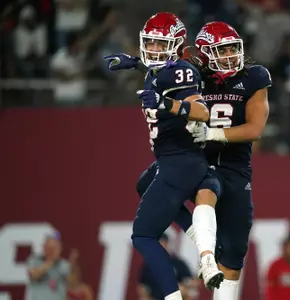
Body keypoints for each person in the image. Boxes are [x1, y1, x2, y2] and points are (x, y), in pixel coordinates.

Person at [105, 20, 272, 300]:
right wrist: (136, 63)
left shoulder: (254, 77)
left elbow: (254, 130)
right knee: (147, 182)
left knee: (232, 255)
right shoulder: (194, 72)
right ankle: (200, 241)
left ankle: (211, 260)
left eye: (232, 48)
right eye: (222, 50)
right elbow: (167, 68)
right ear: (205, 53)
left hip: (234, 167)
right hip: (198, 158)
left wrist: (212, 132)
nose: (230, 55)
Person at [104, 12, 223, 300]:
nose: (154, 50)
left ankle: (172, 297)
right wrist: (134, 63)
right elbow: (158, 68)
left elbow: (202, 110)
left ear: (177, 45)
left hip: (178, 163)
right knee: (143, 183)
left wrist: (165, 103)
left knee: (143, 236)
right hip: (175, 160)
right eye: (151, 44)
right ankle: (198, 234)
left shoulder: (181, 71)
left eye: (161, 44)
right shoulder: (162, 68)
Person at [137, 234, 196, 300]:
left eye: (162, 243)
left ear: (166, 244)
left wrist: (183, 288)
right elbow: (142, 286)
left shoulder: (177, 263)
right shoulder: (148, 266)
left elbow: (193, 282)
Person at [27, 233, 76, 300]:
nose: (51, 251)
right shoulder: (35, 261)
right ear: (44, 247)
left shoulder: (63, 264)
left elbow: (72, 284)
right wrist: (51, 261)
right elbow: (34, 275)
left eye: (54, 248)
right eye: (50, 248)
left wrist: (73, 266)